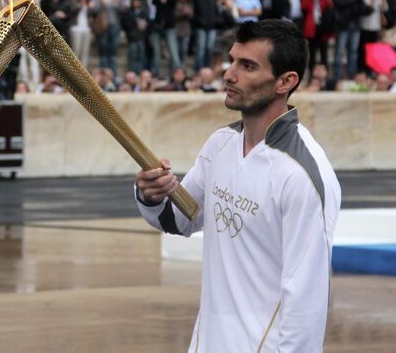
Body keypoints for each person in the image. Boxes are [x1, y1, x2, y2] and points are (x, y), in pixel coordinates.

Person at [135, 20, 341, 352]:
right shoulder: (220, 145)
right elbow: (179, 219)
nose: (229, 74)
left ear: (285, 82)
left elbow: (306, 305)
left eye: (247, 66)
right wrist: (151, 194)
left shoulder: (301, 175)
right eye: (232, 61)